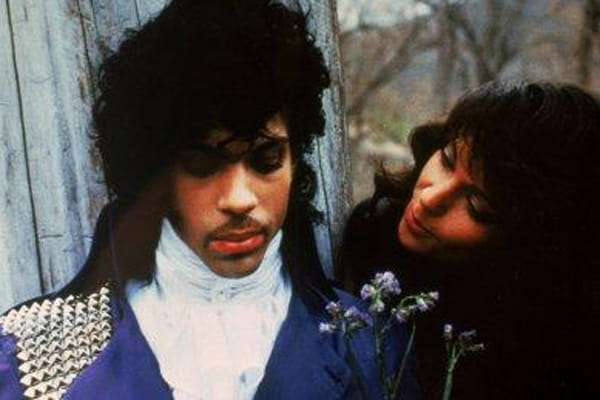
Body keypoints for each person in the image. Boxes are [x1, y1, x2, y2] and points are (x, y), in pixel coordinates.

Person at [0, 1, 419, 399]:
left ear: (295, 161)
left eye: (266, 160)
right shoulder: (32, 355)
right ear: (156, 173)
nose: (239, 199)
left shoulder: (373, 348)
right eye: (203, 165)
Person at [339, 81, 600, 399]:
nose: (429, 199)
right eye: (447, 160)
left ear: (527, 244)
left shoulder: (550, 353)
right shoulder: (374, 230)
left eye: (476, 206)